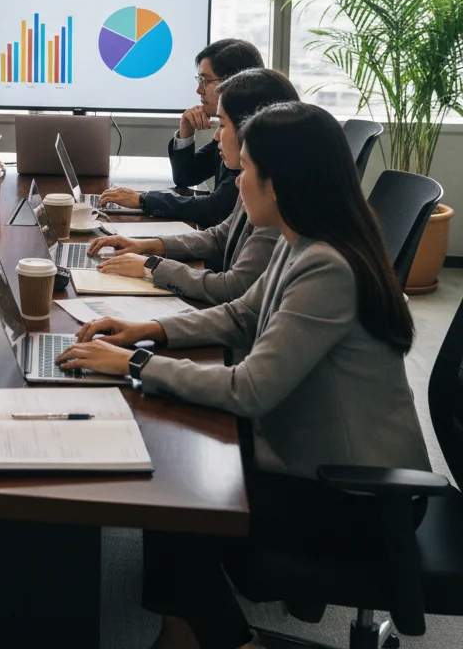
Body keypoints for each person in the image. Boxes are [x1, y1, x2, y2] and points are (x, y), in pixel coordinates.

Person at [57, 102, 429, 649]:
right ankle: (183, 636)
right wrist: (147, 330)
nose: (237, 177)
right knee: (172, 481)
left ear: (280, 183)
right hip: (314, 459)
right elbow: (240, 315)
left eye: (247, 168)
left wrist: (135, 364)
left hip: (355, 495)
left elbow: (250, 389)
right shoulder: (301, 239)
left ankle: (227, 640)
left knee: (176, 496)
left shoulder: (326, 264)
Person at [88, 68, 298, 305]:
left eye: (222, 124)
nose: (216, 136)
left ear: (252, 125)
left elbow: (233, 288)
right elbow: (220, 237)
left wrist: (151, 266)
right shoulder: (251, 177)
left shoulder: (274, 204)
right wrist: (146, 246)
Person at [100, 38, 264, 228]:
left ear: (235, 82)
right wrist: (185, 131)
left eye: (205, 80)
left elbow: (216, 208)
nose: (198, 90)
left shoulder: (255, 136)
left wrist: (143, 199)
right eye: (199, 80)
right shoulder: (228, 128)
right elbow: (186, 176)